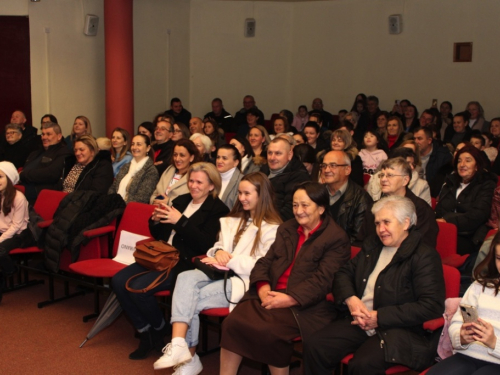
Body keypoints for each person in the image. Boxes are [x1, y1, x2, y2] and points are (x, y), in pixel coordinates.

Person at [153, 172, 282, 373]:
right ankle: (179, 344)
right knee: (185, 277)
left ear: (261, 195)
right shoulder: (235, 219)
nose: (241, 198)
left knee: (189, 297)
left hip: (244, 281)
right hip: (219, 272)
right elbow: (217, 246)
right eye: (239, 193)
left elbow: (264, 265)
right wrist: (219, 251)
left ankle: (189, 358)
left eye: (247, 193)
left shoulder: (273, 228)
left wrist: (229, 260)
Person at [219, 181, 351, 375]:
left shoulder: (336, 238)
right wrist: (263, 288)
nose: (298, 211)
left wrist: (290, 298)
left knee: (270, 332)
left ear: (321, 208)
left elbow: (323, 281)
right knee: (233, 323)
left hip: (307, 305)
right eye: (295, 205)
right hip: (271, 293)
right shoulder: (287, 228)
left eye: (305, 205)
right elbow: (265, 262)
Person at [304, 195, 445, 375]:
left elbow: (431, 305)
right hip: (362, 320)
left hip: (401, 330)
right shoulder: (373, 245)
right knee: (316, 345)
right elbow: (343, 274)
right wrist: (351, 299)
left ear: (406, 223)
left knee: (363, 364)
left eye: (386, 222)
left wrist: (380, 317)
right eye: (377, 223)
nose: (381, 229)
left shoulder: (424, 256)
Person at [112, 162, 229, 360]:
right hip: (160, 255)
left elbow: (205, 244)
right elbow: (159, 233)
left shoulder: (218, 210)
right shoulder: (182, 200)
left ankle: (155, 330)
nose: (193, 186)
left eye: (199, 182)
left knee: (139, 288)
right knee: (117, 281)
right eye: (191, 181)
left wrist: (180, 221)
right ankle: (151, 330)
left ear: (211, 186)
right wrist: (156, 220)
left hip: (183, 263)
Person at [427, 233, 500, 375]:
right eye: (499, 258)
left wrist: (494, 343)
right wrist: (461, 337)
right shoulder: (480, 286)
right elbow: (457, 322)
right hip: (467, 355)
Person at [361, 157, 438, 248]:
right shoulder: (375, 207)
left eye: (389, 175)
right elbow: (362, 240)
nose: (383, 179)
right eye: (381, 175)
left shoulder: (420, 209)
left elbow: (424, 245)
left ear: (405, 180)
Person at [436, 144, 497, 256]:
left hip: (469, 236)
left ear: (477, 166)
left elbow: (477, 216)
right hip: (443, 230)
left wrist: (447, 221)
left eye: (468, 161)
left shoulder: (486, 184)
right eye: (459, 161)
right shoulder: (451, 182)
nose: (462, 164)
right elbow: (439, 210)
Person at [322, 151, 372, 244]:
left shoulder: (361, 199)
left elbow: (357, 238)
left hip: (343, 252)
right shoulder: (317, 193)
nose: (326, 170)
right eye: (324, 166)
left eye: (333, 165)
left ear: (347, 170)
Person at [19, 122, 73, 204]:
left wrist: (24, 174)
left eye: (48, 134)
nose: (44, 137)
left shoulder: (64, 152)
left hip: (41, 191)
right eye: (43, 134)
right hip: (24, 186)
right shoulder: (34, 153)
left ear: (59, 136)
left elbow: (51, 174)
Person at [260, 138, 310, 221]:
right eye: (270, 153)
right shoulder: (263, 171)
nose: (272, 158)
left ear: (290, 155)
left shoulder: (299, 177)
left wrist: (265, 221)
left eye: (278, 153)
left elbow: (290, 211)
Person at [0, 162, 35, 281]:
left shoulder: (18, 197)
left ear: (9, 178)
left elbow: (16, 226)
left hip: (19, 234)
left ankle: (11, 270)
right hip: (4, 231)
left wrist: (0, 239)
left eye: (0, 177)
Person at [108, 134, 159, 203]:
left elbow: (142, 198)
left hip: (131, 209)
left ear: (148, 148)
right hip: (115, 206)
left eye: (139, 144)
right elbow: (113, 188)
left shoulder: (151, 171)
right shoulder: (126, 166)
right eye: (133, 144)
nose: (134, 147)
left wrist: (120, 206)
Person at [150, 139, 201, 205]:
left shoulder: (195, 176)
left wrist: (169, 202)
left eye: (182, 155)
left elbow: (191, 202)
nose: (177, 159)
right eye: (175, 155)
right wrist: (155, 201)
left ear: (191, 157)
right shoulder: (169, 170)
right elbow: (154, 194)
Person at [413, 126, 453, 196]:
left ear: (429, 140)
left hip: (433, 195)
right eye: (414, 139)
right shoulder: (411, 154)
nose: (416, 142)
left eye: (419, 139)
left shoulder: (443, 156)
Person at [216, 144, 243, 210]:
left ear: (236, 162)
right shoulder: (211, 177)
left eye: (224, 158)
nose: (219, 161)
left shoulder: (242, 182)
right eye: (218, 157)